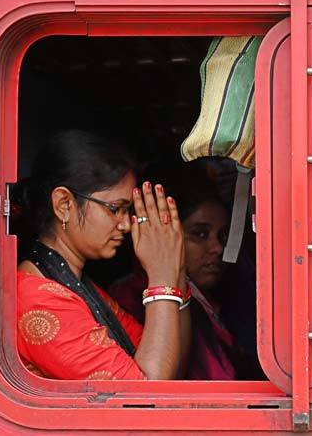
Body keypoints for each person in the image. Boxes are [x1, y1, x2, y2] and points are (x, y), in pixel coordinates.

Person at [13, 130, 191, 380]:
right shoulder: (37, 298)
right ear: (64, 204)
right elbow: (145, 397)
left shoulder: (74, 284)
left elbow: (169, 363)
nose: (126, 225)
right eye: (115, 209)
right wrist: (162, 278)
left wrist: (175, 270)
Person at [109, 162, 264, 380]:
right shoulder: (131, 297)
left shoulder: (221, 296)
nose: (218, 248)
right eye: (199, 234)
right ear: (168, 234)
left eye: (222, 236)